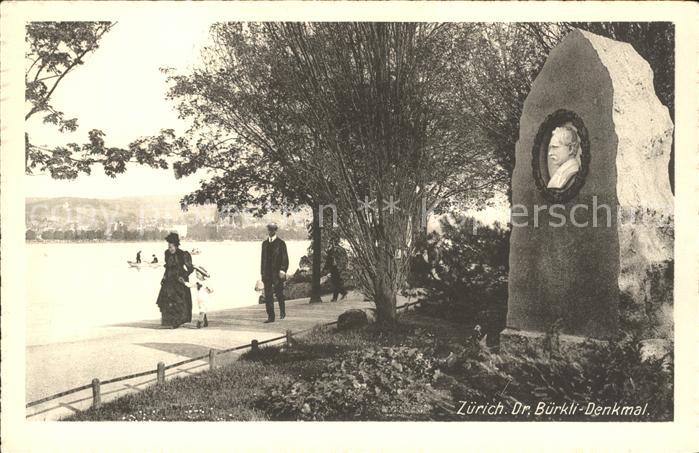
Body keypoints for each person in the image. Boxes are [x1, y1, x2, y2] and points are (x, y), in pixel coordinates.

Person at [155, 232, 194, 328]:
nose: (170, 249)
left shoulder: (183, 254)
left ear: (176, 246)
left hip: (179, 280)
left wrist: (183, 276)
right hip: (169, 279)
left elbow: (190, 268)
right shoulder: (167, 253)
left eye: (171, 247)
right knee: (166, 300)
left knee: (178, 301)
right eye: (169, 247)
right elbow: (167, 267)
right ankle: (168, 321)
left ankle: (177, 321)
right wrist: (163, 277)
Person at [260, 222, 289, 323]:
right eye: (269, 229)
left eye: (272, 229)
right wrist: (262, 273)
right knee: (268, 296)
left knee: (279, 293)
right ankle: (271, 316)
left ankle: (282, 311)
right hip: (267, 274)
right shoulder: (264, 244)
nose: (271, 231)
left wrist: (283, 270)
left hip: (277, 274)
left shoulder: (281, 243)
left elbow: (285, 258)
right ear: (268, 230)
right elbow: (262, 260)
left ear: (275, 230)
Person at [547, 125, 581, 189]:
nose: (550, 153)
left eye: (555, 147)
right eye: (550, 148)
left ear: (570, 149)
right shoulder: (561, 172)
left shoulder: (572, 171)